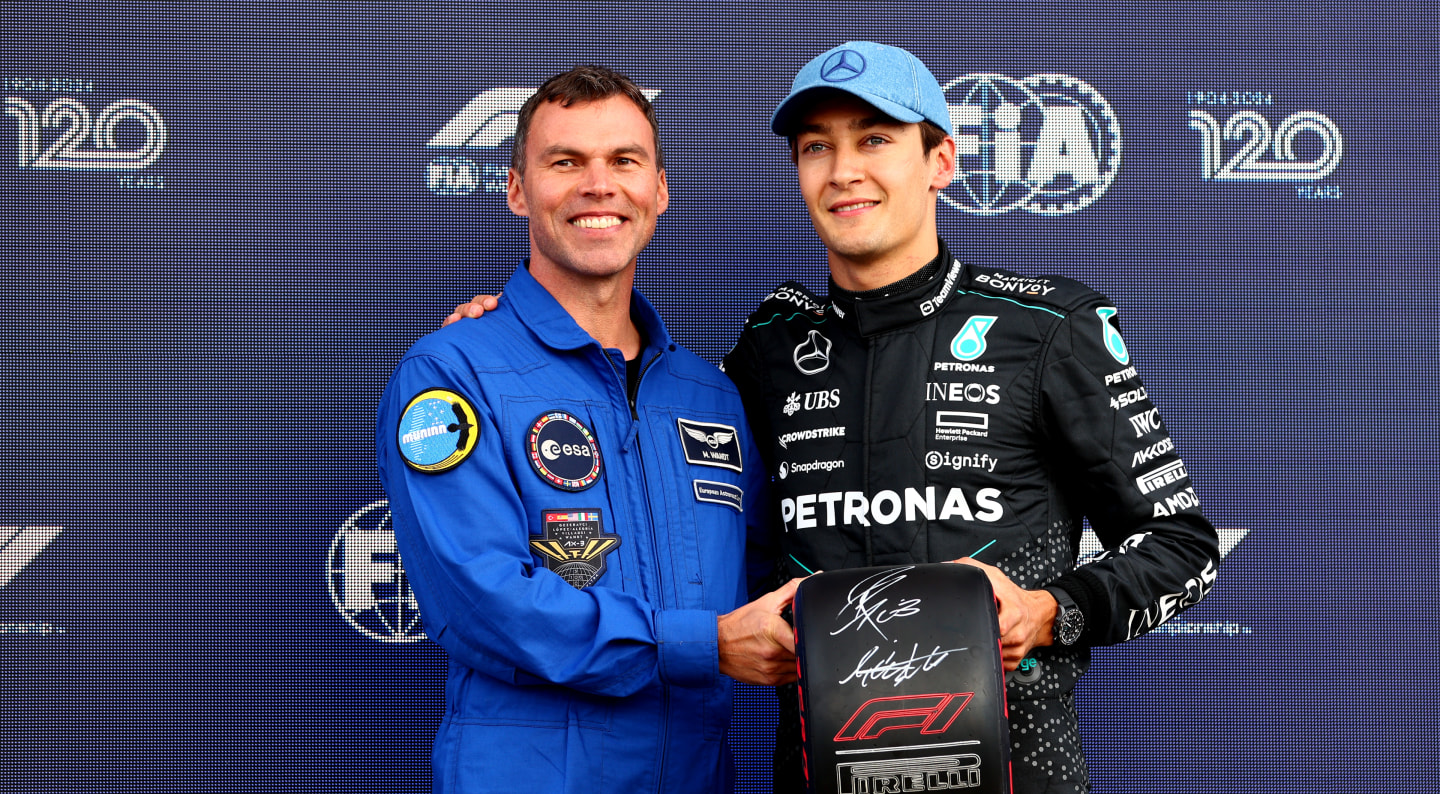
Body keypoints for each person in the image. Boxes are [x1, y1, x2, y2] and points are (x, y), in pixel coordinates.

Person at [445, 45, 1222, 794]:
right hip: (819, 775)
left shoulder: (1046, 327)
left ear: (941, 162)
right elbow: (667, 483)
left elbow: (1184, 546)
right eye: (818, 147)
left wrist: (1049, 611)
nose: (845, 170)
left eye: (876, 139)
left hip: (1012, 773)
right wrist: (513, 339)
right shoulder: (768, 348)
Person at [378, 65, 800, 794]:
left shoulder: (712, 397)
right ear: (516, 190)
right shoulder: (453, 375)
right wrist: (703, 645)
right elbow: (482, 601)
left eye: (624, 161)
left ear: (659, 191)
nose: (598, 185)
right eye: (565, 161)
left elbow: (775, 575)